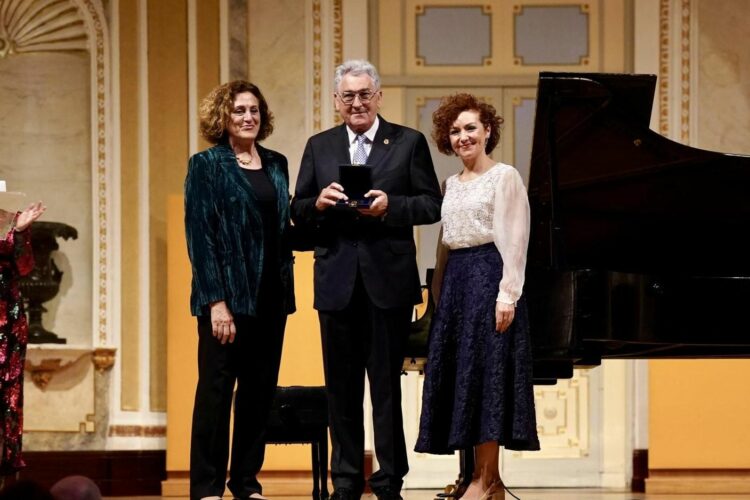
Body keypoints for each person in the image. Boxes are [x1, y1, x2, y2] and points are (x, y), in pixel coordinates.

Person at [291, 59, 442, 499]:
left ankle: (389, 481)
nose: (356, 103)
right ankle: (344, 482)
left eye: (364, 95)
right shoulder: (320, 146)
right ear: (337, 102)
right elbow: (296, 209)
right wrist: (317, 203)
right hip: (336, 282)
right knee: (341, 390)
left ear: (378, 97)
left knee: (385, 390)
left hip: (388, 282)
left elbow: (431, 205)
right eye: (348, 96)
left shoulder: (408, 142)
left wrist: (389, 206)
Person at [414, 94, 540, 500]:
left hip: (490, 280)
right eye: (455, 130)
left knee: (487, 380)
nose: (463, 136)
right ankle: (475, 479)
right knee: (461, 380)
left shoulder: (505, 176)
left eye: (471, 128)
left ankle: (488, 480)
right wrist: (437, 298)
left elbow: (516, 240)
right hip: (456, 285)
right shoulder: (449, 184)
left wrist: (508, 295)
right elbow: (445, 244)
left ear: (488, 131)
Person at [184, 81, 296, 500]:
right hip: (226, 300)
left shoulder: (277, 163)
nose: (248, 117)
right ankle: (207, 485)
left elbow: (283, 230)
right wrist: (216, 303)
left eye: (254, 110)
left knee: (258, 392)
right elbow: (201, 237)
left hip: (272, 296)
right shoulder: (206, 165)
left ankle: (246, 482)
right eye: (238, 111)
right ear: (222, 118)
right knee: (215, 391)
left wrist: (320, 213)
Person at [0, 200, 46, 476]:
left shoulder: (12, 222)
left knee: (9, 394)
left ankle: (7, 467)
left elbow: (26, 267)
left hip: (9, 315)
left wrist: (18, 231)